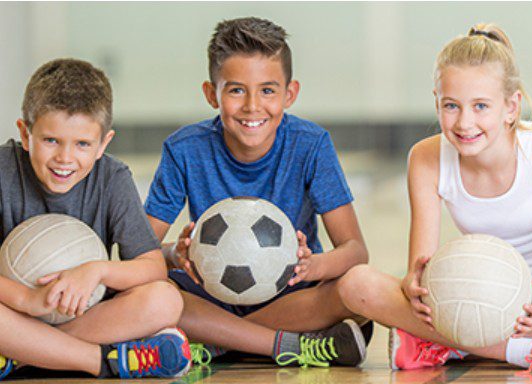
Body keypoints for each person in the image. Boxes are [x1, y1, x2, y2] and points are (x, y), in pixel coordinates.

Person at [337, 23, 532, 374]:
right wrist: (413, 285)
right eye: (451, 106)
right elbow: (420, 268)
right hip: (467, 297)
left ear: (511, 107)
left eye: (480, 106)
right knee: (355, 284)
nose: (464, 122)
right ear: (436, 102)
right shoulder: (425, 158)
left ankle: (450, 346)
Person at [144, 17, 370, 368]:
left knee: (355, 287)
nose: (252, 106)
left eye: (267, 90)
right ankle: (287, 345)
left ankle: (217, 341)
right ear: (211, 94)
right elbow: (139, 255)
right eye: (236, 90)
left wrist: (312, 266)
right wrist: (176, 254)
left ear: (289, 94)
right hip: (209, 294)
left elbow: (355, 251)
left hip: (289, 295)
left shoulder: (310, 145)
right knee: (151, 293)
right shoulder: (184, 149)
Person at [0, 58, 191, 380]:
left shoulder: (112, 178)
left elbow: (152, 267)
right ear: (25, 133)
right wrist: (27, 298)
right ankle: (103, 360)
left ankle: (20, 353)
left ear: (103, 143)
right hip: (13, 311)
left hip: (83, 315)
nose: (65, 158)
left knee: (165, 300)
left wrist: (97, 271)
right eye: (51, 140)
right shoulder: (3, 169)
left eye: (83, 144)